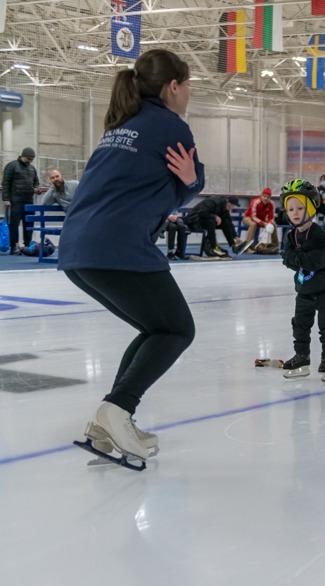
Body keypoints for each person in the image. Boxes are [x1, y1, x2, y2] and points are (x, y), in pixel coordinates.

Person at [59, 49, 203, 469]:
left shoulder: (121, 126)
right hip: (118, 247)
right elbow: (192, 181)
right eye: (188, 85)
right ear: (173, 86)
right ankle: (116, 411)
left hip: (78, 249)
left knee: (154, 327)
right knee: (176, 329)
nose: (189, 94)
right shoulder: (169, 126)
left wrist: (182, 186)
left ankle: (112, 420)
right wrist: (191, 183)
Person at [279, 179, 325, 381]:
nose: (294, 213)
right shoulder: (291, 236)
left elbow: (316, 260)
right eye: (290, 209)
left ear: (311, 207)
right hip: (304, 289)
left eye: (299, 208)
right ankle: (302, 357)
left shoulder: (320, 235)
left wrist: (298, 260)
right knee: (300, 324)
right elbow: (286, 258)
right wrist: (300, 261)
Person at [2, 147, 40, 254]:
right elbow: (5, 183)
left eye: (31, 159)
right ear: (22, 156)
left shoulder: (32, 168)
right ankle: (14, 246)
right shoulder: (12, 166)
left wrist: (37, 189)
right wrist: (6, 198)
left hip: (28, 200)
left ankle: (27, 245)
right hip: (15, 200)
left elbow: (36, 182)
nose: (29, 161)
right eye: (28, 158)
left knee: (29, 224)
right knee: (14, 224)